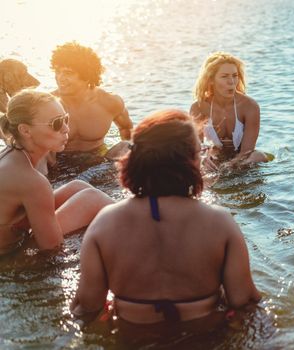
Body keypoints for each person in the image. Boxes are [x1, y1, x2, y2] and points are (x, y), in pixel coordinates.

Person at [70, 109, 261, 325]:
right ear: (188, 162)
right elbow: (243, 300)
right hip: (205, 335)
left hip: (131, 336)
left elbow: (88, 305)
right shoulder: (219, 222)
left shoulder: (105, 222)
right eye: (200, 153)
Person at [0, 89, 114, 254]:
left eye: (66, 119)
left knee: (78, 186)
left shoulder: (11, 154)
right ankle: (142, 235)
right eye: (57, 123)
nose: (66, 129)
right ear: (25, 130)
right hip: (11, 258)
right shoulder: (30, 180)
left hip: (11, 234)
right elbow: (52, 250)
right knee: (92, 199)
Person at [50, 42, 133, 159]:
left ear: (87, 76)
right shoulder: (47, 105)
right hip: (58, 164)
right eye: (58, 71)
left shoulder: (109, 102)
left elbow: (126, 129)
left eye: (68, 73)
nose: (60, 78)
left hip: (98, 162)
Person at [190, 52, 268, 168]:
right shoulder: (198, 108)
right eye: (224, 76)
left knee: (259, 156)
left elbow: (247, 151)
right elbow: (196, 147)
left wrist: (229, 166)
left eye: (235, 75)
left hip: (241, 159)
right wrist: (203, 159)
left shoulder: (249, 106)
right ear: (211, 79)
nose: (231, 81)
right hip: (212, 160)